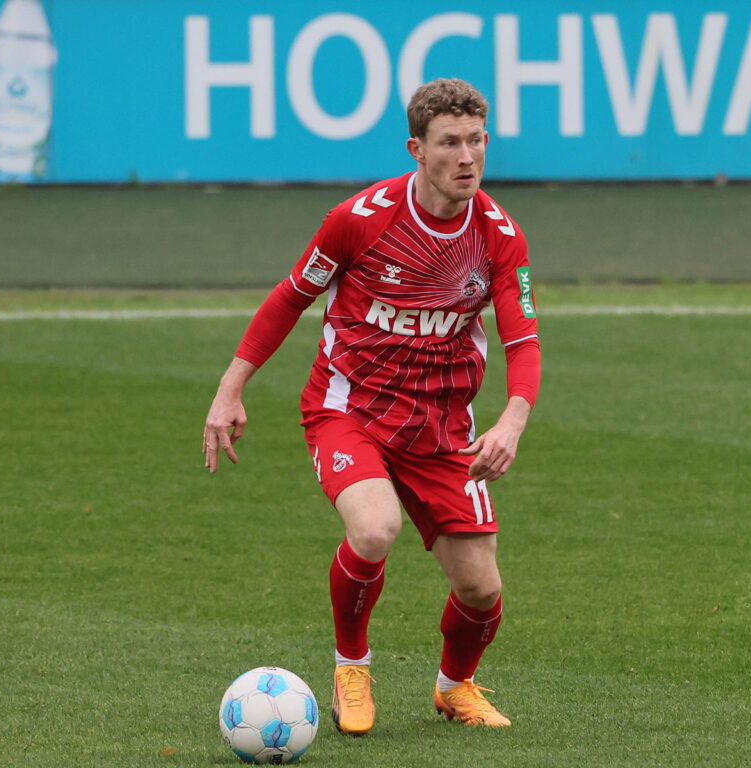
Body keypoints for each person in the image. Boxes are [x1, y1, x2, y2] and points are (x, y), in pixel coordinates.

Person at [202, 78, 540, 734]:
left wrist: (513, 418)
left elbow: (523, 337)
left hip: (443, 429)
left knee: (482, 589)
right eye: (449, 143)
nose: (466, 156)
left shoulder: (503, 238)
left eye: (476, 141)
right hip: (348, 410)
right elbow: (289, 297)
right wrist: (230, 388)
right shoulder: (358, 219)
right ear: (417, 148)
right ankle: (351, 666)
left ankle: (455, 688)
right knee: (374, 527)